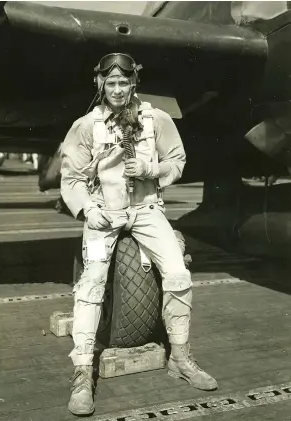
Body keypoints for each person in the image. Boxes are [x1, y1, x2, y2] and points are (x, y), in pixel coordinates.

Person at [61, 53, 218, 416]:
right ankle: (83, 373)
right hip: (105, 211)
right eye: (110, 82)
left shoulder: (156, 119)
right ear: (101, 84)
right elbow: (71, 177)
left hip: (147, 210)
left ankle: (180, 358)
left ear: (134, 83)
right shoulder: (86, 126)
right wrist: (88, 210)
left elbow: (177, 159)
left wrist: (151, 167)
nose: (117, 89)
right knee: (92, 283)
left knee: (178, 273)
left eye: (124, 82)